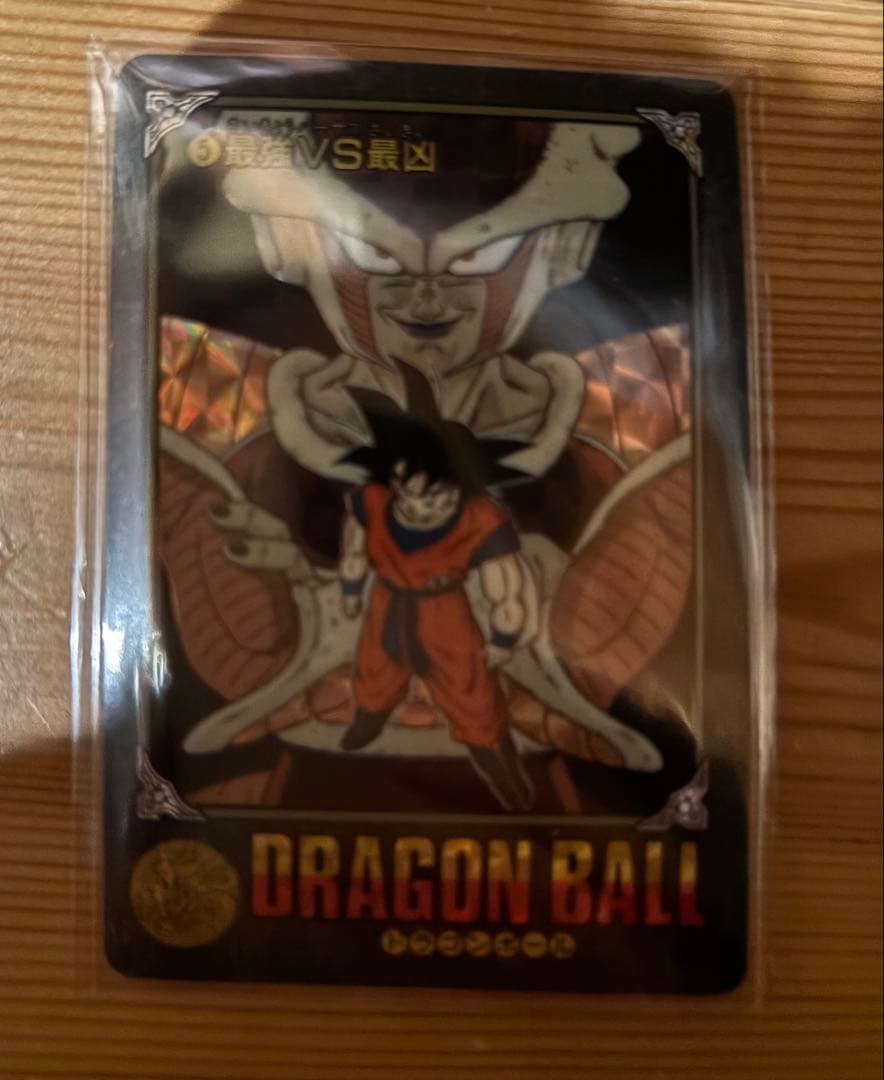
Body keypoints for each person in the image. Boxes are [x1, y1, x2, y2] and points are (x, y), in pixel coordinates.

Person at [336, 371, 535, 811]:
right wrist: (350, 589)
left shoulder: (481, 519)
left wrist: (504, 636)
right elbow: (353, 549)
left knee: (472, 695)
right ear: (394, 482)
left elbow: (507, 589)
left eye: (442, 497)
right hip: (387, 603)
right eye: (419, 498)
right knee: (374, 672)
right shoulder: (372, 502)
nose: (430, 507)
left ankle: (500, 766)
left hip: (446, 615)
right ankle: (369, 720)